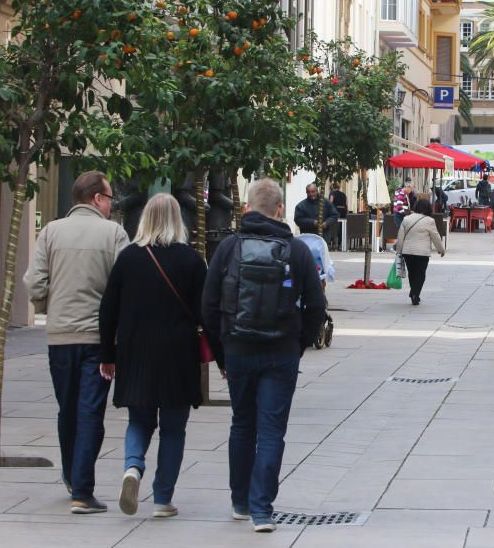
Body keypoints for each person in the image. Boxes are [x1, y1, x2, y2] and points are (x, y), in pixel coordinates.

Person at [202, 178, 326, 533]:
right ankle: (262, 510)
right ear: (280, 211)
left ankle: (240, 500)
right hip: (280, 351)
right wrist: (297, 344)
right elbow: (317, 306)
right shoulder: (297, 250)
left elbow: (208, 305)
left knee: (242, 424)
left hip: (239, 349)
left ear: (246, 209)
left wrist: (222, 352)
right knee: (271, 429)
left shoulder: (228, 248)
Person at [98, 194, 218, 519]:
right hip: (178, 354)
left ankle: (132, 468)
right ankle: (163, 498)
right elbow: (206, 313)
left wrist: (107, 354)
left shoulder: (128, 259)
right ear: (178, 220)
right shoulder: (192, 261)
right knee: (174, 428)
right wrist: (221, 357)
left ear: (145, 219)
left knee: (139, 419)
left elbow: (107, 311)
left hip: (135, 352)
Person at [24, 171, 130, 514]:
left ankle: (72, 477)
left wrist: (48, 307)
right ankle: (82, 490)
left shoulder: (51, 231)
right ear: (97, 198)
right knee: (90, 411)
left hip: (60, 336)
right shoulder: (114, 234)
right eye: (110, 197)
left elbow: (35, 283)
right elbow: (125, 286)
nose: (112, 204)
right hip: (99, 340)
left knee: (67, 407)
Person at [395, 199, 445, 305]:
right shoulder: (429, 221)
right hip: (422, 253)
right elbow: (435, 236)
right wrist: (440, 249)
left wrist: (399, 251)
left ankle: (414, 293)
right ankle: (415, 294)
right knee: (420, 274)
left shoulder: (406, 219)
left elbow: (400, 237)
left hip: (407, 252)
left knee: (412, 273)